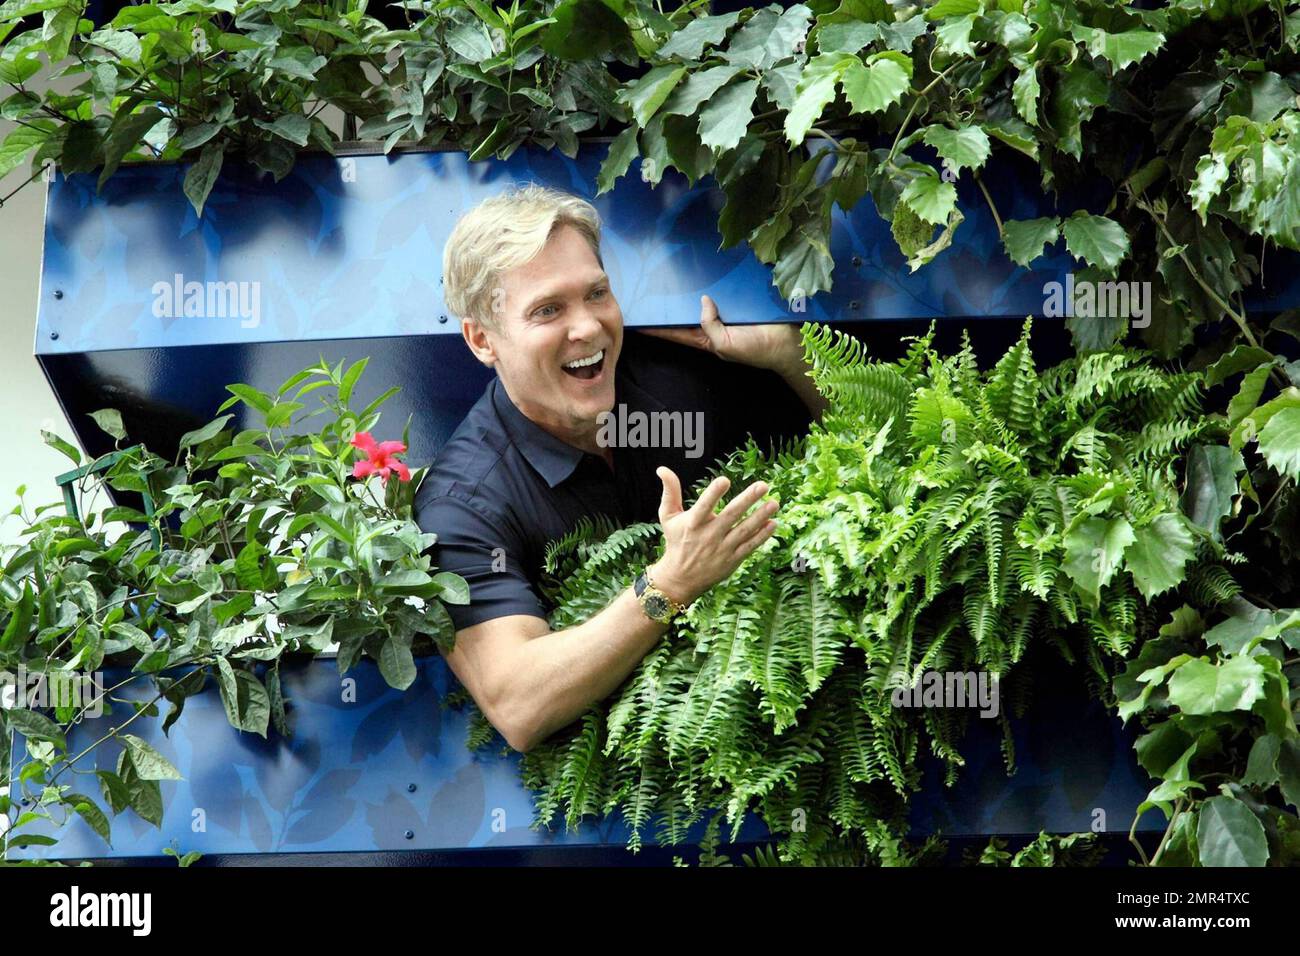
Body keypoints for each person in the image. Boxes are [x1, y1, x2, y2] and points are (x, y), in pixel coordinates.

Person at [415, 183, 828, 752]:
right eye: (548, 310)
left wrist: (790, 358)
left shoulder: (678, 372)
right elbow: (516, 701)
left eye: (597, 294)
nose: (587, 327)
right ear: (483, 339)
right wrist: (670, 584)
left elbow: (887, 445)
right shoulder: (463, 503)